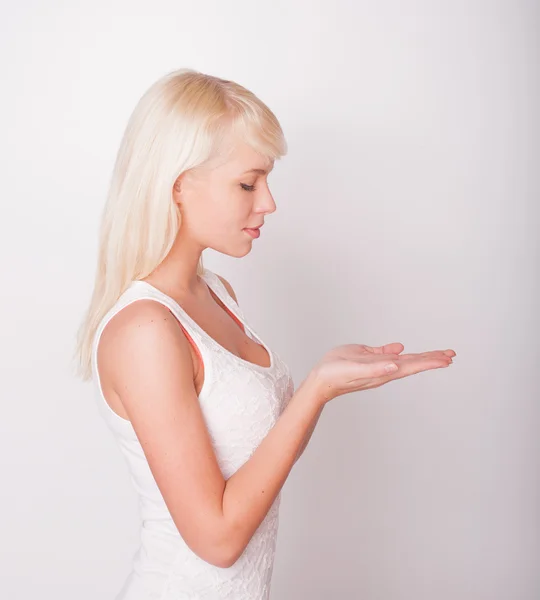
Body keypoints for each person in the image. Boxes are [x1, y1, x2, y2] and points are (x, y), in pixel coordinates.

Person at [73, 68, 456, 600]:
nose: (269, 203)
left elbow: (256, 460)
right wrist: (319, 388)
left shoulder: (217, 294)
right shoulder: (147, 330)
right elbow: (218, 541)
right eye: (248, 183)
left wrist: (322, 388)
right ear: (179, 184)